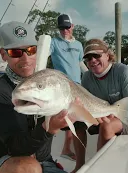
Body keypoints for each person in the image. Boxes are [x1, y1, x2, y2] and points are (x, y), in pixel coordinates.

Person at [0, 21, 77, 173]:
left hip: (45, 163)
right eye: (15, 52)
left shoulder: (51, 85)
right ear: (3, 55)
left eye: (30, 50)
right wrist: (49, 128)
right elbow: (16, 148)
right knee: (28, 169)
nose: (25, 59)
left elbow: (77, 116)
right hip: (10, 163)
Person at [70, 38, 128, 173]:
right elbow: (85, 105)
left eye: (96, 55)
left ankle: (97, 170)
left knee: (107, 126)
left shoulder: (124, 72)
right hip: (105, 114)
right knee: (77, 122)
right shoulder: (86, 78)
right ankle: (79, 166)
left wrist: (111, 116)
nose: (92, 61)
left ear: (108, 55)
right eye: (88, 58)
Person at [49, 13, 88, 161]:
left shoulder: (78, 45)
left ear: (72, 26)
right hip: (62, 86)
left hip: (77, 85)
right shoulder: (53, 42)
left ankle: (66, 148)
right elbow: (43, 54)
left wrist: (91, 76)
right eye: (61, 28)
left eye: (67, 27)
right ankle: (52, 149)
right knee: (61, 117)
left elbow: (80, 63)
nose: (64, 31)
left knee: (73, 118)